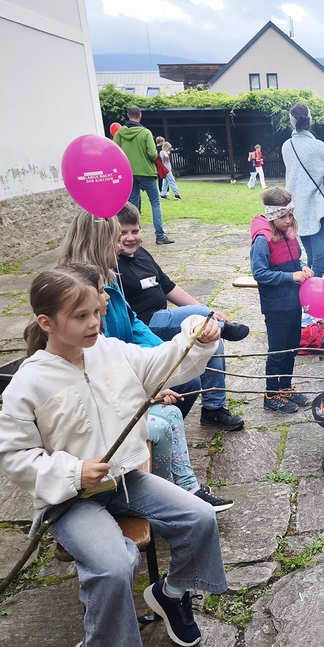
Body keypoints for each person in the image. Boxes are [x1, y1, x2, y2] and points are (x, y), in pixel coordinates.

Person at [0, 268, 228, 647]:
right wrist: (71, 471)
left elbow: (163, 362)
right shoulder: (29, 382)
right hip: (71, 499)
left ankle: (171, 592)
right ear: (47, 323)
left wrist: (195, 339)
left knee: (199, 516)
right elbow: (11, 454)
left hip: (123, 479)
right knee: (116, 563)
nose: (94, 323)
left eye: (97, 312)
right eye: (80, 316)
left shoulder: (110, 351)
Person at [59, 212, 238, 507]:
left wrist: (168, 359)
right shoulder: (81, 298)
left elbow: (134, 324)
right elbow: (98, 364)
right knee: (169, 410)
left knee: (187, 383)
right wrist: (146, 389)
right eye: (116, 238)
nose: (121, 245)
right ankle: (162, 482)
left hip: (125, 370)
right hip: (107, 400)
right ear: (101, 242)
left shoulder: (109, 283)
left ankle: (168, 481)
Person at [114, 203, 248, 430]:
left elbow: (169, 287)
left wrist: (207, 311)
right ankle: (222, 326)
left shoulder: (143, 254)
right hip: (145, 323)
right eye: (123, 233)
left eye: (135, 231)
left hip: (164, 318)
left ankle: (214, 409)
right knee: (203, 321)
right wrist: (204, 314)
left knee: (211, 337)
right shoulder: (112, 265)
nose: (130, 237)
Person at [249, 188, 314, 413]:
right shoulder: (262, 239)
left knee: (291, 347)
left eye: (290, 215)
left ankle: (285, 388)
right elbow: (259, 273)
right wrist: (291, 277)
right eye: (283, 216)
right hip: (276, 306)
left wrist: (302, 267)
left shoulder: (288, 232)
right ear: (272, 215)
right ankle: (271, 394)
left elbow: (295, 260)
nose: (288, 220)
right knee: (277, 351)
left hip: (293, 302)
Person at [282, 103, 324, 278]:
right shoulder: (319, 147)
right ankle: (310, 293)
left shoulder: (287, 146)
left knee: (311, 259)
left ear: (292, 122)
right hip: (317, 210)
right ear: (310, 121)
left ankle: (307, 292)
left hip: (297, 209)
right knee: (320, 264)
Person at [113, 106, 172, 244]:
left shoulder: (120, 133)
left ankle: (132, 235)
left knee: (132, 206)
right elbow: (152, 154)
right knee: (155, 203)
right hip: (146, 172)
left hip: (129, 173)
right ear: (140, 116)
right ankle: (160, 236)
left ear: (128, 115)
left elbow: (115, 151)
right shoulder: (145, 133)